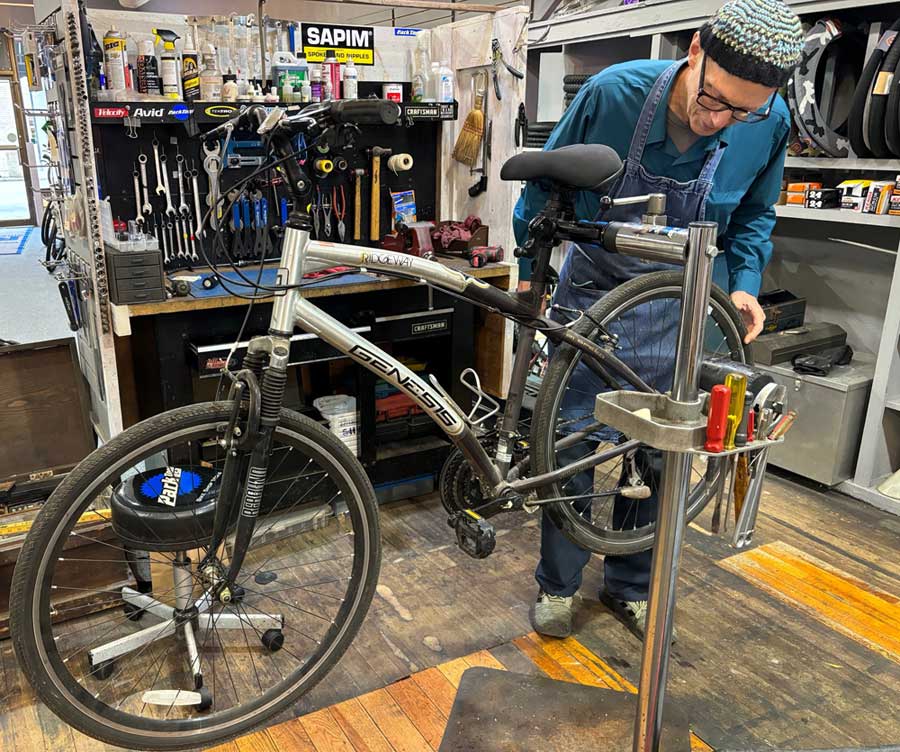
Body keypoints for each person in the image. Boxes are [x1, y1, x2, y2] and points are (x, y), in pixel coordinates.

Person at [512, 0, 804, 639]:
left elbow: (755, 212)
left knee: (662, 451)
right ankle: (557, 585)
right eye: (715, 100)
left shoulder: (768, 120)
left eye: (742, 112)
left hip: (682, 305)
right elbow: (539, 193)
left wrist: (747, 286)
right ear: (694, 50)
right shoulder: (613, 95)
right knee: (572, 444)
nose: (719, 121)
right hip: (596, 299)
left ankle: (632, 587)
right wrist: (530, 273)